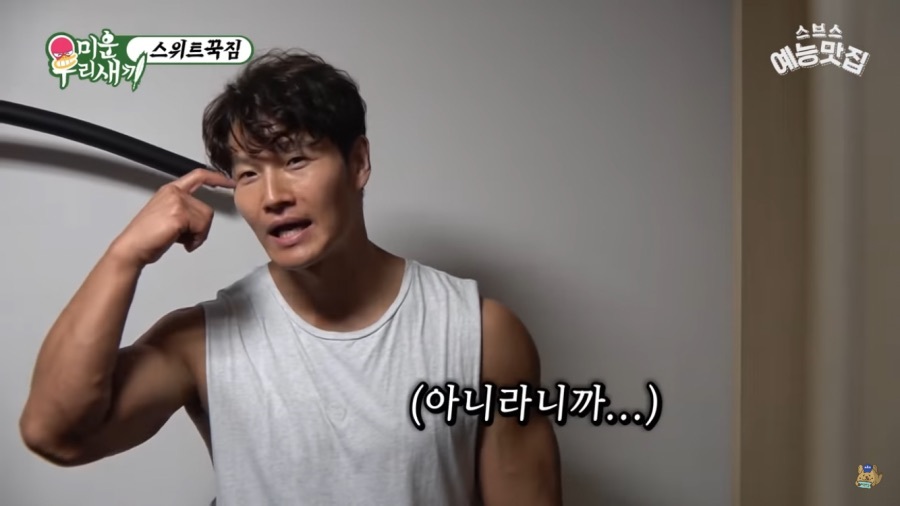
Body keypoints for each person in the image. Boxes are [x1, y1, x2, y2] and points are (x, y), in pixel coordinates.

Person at [18, 48, 562, 505]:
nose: (273, 196)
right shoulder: (199, 343)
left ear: (358, 163)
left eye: (296, 160)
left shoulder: (482, 335)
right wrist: (125, 256)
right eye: (248, 174)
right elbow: (54, 434)